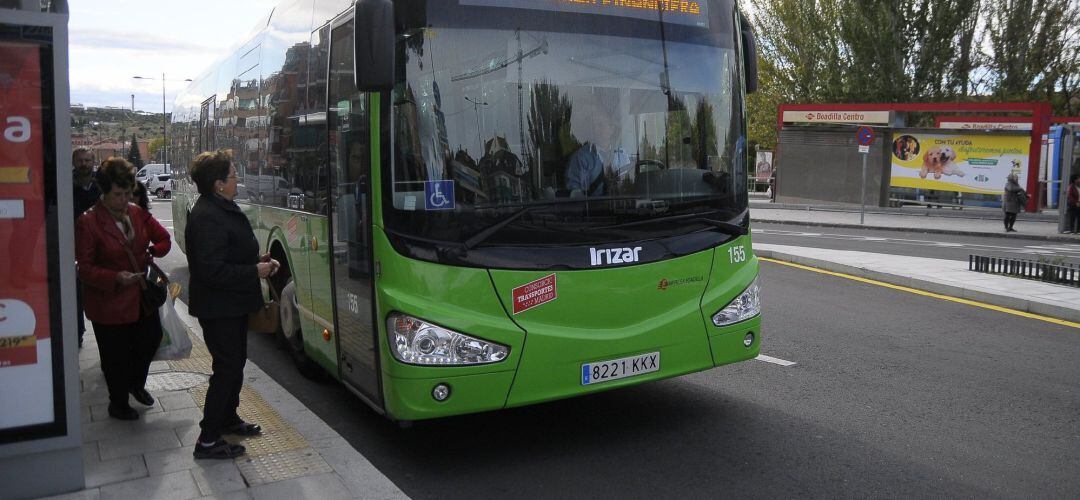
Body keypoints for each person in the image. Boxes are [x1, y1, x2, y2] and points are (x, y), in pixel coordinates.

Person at [186, 150, 278, 459]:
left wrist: (258, 261)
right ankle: (208, 439)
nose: (238, 180)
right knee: (226, 370)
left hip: (232, 305)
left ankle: (227, 418)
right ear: (218, 184)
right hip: (219, 308)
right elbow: (211, 269)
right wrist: (254, 271)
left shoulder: (219, 207)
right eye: (233, 176)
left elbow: (230, 254)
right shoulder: (207, 216)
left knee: (234, 365)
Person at [75, 157, 170, 420]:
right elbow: (84, 268)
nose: (124, 200)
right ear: (103, 192)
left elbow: (163, 238)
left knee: (150, 339)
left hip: (140, 296)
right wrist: (116, 277)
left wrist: (152, 251)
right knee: (115, 358)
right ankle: (118, 404)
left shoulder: (136, 213)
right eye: (118, 194)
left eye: (128, 193)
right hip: (108, 303)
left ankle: (135, 384)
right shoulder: (89, 222)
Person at [73, 146, 100, 348]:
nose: (84, 164)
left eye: (87, 160)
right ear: (74, 162)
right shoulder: (64, 183)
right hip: (72, 246)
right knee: (75, 292)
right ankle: (77, 331)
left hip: (98, 247)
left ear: (93, 162)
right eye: (80, 160)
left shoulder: (101, 185)